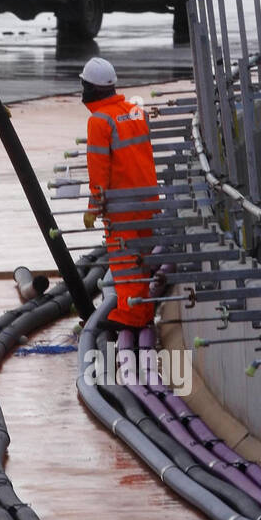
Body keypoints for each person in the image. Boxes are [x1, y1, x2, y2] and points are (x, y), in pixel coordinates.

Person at [80, 57, 159, 329]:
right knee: (142, 259)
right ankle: (144, 311)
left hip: (121, 206)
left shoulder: (99, 121)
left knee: (125, 261)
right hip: (148, 199)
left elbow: (99, 170)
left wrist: (94, 207)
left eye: (84, 85)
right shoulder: (136, 112)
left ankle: (131, 315)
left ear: (94, 88)